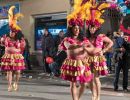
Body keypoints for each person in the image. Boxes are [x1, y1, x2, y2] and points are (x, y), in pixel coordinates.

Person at [0, 6, 25, 92]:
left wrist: (19, 50)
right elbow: (1, 43)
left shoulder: (19, 39)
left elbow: (23, 47)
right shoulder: (5, 38)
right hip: (8, 57)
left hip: (17, 57)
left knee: (17, 72)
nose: (11, 33)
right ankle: (10, 85)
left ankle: (16, 83)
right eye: (10, 31)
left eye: (13, 31)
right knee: (9, 72)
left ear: (15, 32)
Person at [86, 24, 113, 100]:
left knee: (96, 78)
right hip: (88, 59)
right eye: (91, 27)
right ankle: (93, 94)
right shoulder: (87, 37)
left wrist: (104, 50)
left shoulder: (100, 36)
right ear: (88, 28)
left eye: (93, 28)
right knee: (89, 79)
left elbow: (111, 42)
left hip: (97, 59)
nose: (92, 29)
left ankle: (98, 97)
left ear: (97, 28)